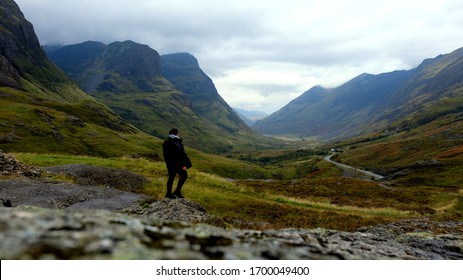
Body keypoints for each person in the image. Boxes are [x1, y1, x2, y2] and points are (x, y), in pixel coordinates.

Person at [162, 128, 192, 199]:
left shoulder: (166, 142)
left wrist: (168, 162)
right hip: (177, 163)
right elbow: (182, 154)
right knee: (184, 175)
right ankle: (177, 191)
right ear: (176, 133)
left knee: (171, 177)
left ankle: (169, 193)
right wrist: (185, 164)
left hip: (169, 163)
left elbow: (166, 154)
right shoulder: (176, 142)